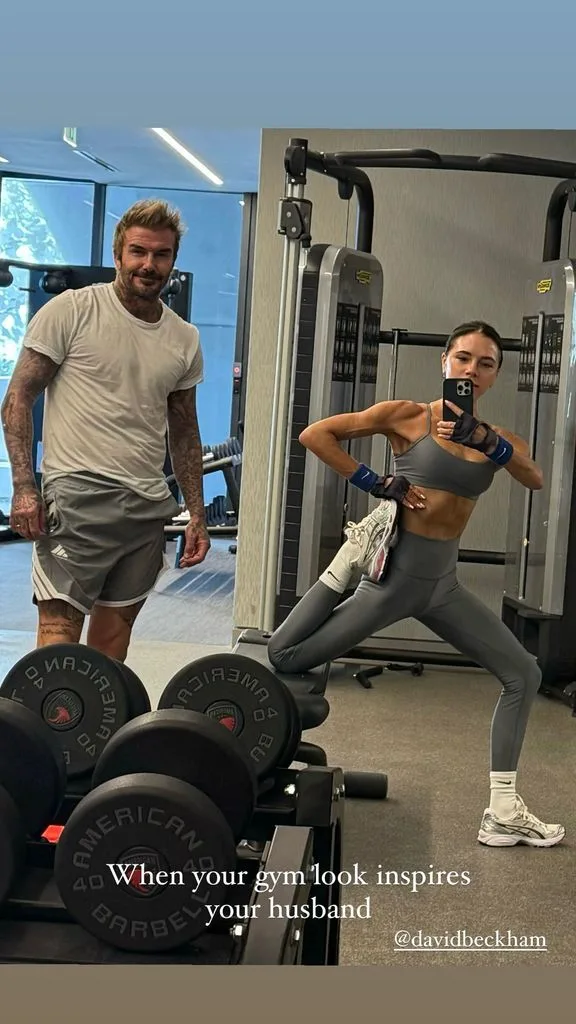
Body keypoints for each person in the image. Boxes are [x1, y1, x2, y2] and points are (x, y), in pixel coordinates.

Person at [267, 320, 565, 849]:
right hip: (395, 580)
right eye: (463, 359)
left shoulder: (496, 439)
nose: (472, 371)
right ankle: (346, 562)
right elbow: (316, 435)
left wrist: (487, 441)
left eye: (486, 364)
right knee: (286, 655)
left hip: (441, 586)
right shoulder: (407, 416)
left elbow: (534, 477)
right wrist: (376, 482)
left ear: (495, 375)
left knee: (524, 672)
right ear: (444, 361)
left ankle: (502, 811)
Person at [0, 198, 209, 662]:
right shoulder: (71, 311)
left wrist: (196, 513)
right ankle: (48, 714)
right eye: (138, 251)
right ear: (118, 255)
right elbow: (17, 399)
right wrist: (24, 488)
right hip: (77, 495)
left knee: (113, 644)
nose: (148, 264)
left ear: (173, 260)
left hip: (145, 504)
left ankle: (97, 714)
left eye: (161, 254)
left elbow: (185, 431)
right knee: (59, 634)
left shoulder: (184, 338)